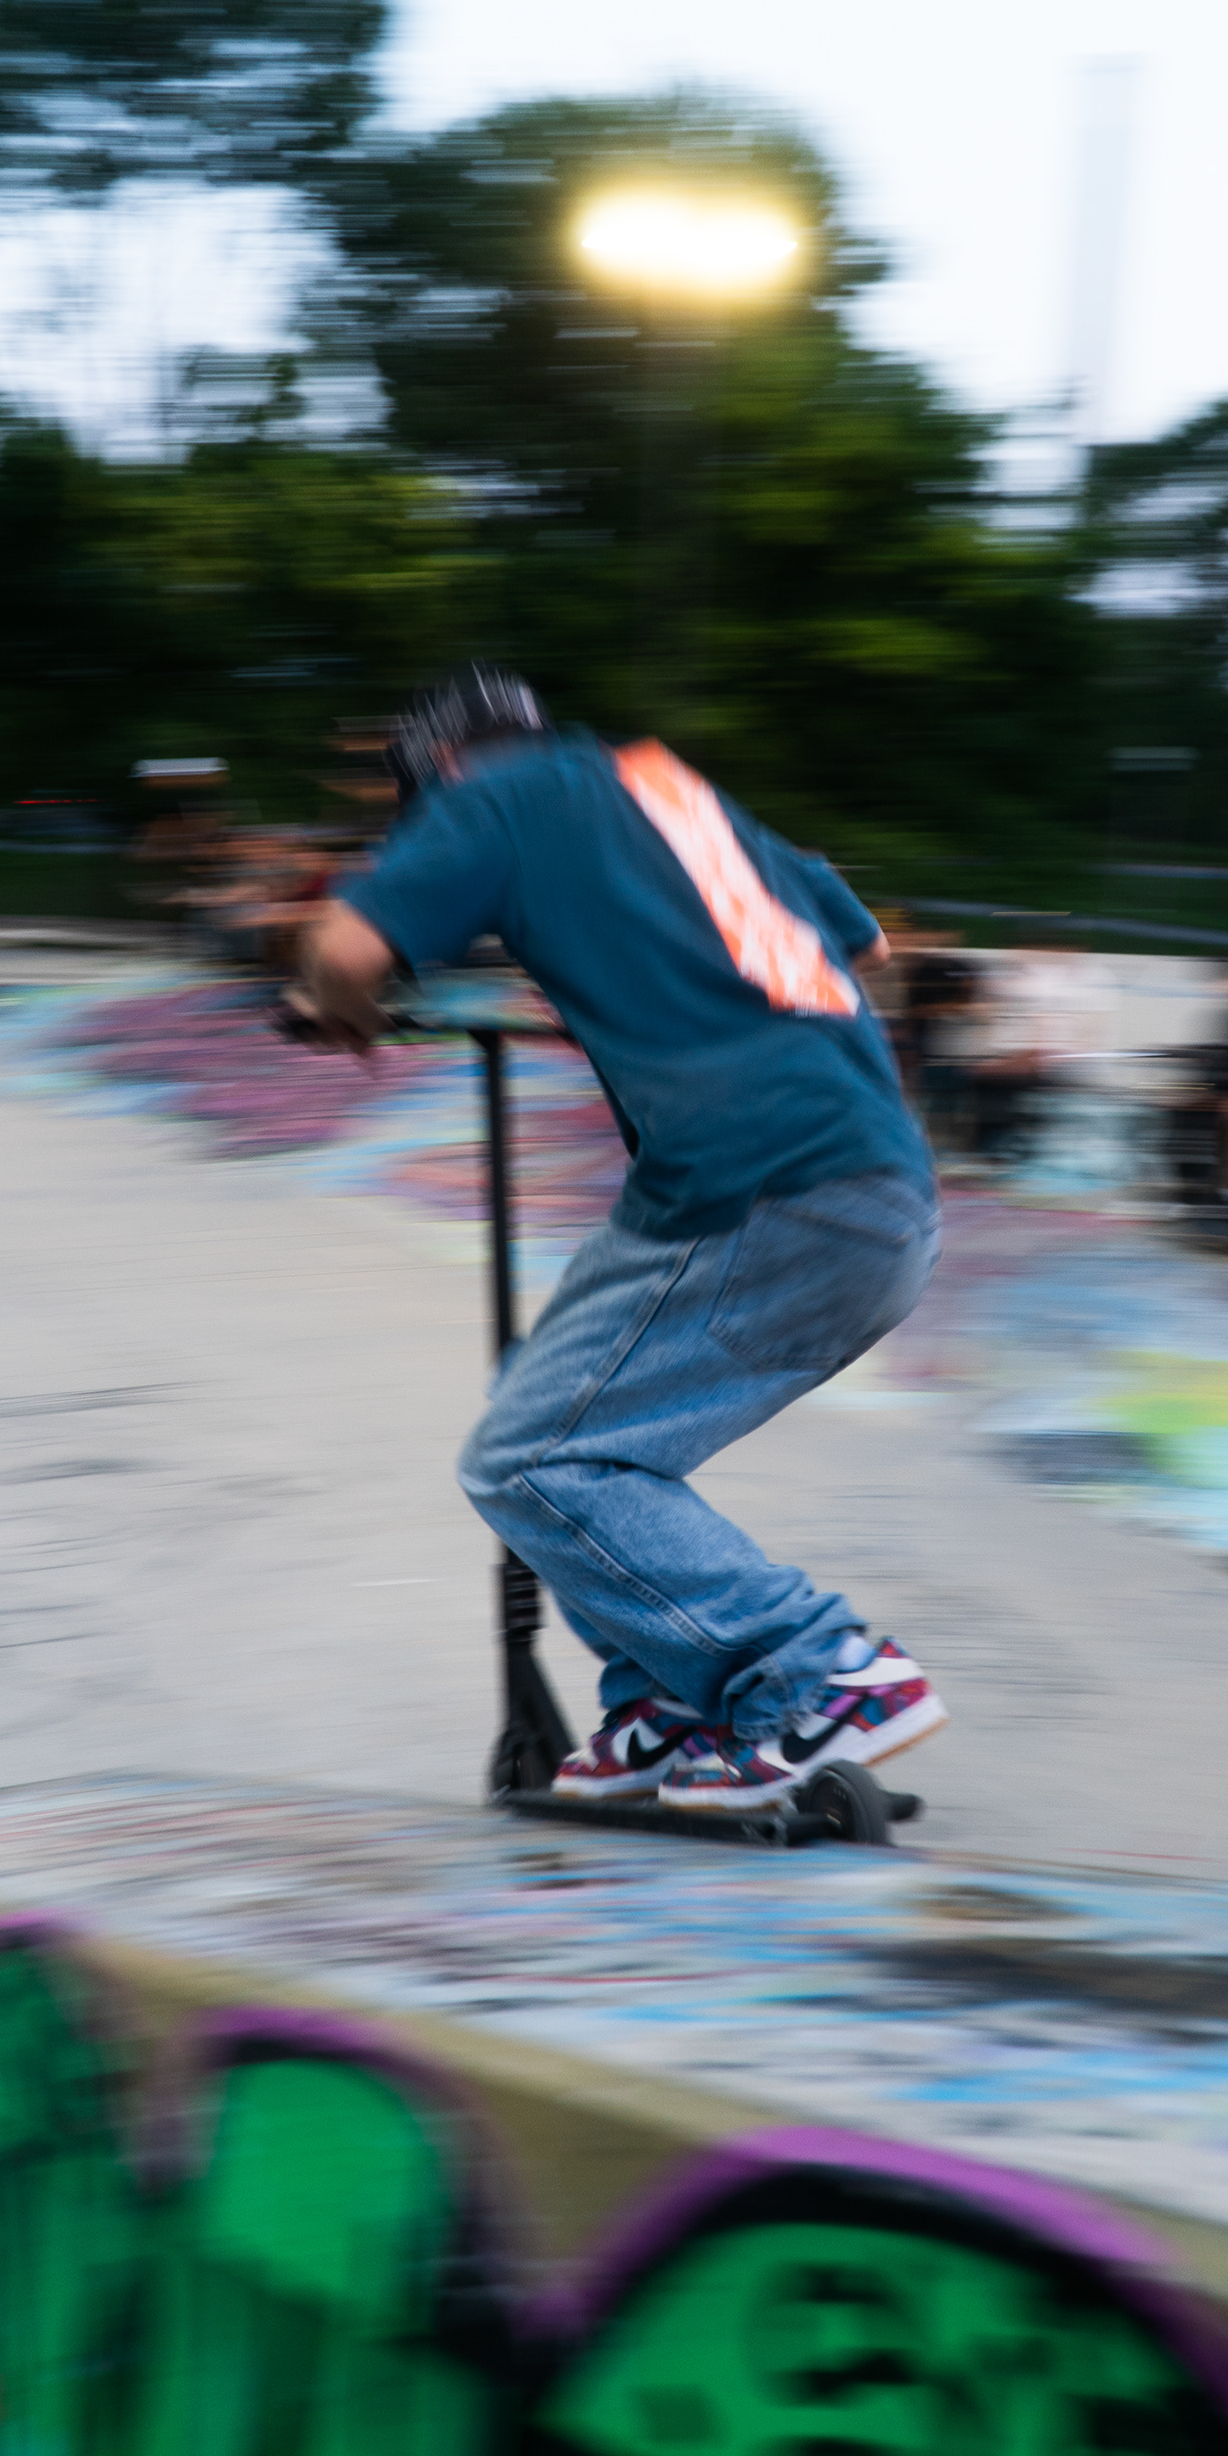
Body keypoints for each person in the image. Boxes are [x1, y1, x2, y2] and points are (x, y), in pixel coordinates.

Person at [298, 665, 948, 1813]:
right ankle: (673, 1699)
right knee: (542, 1404)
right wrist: (645, 973)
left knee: (531, 1461)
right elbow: (866, 943)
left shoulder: (492, 799)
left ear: (440, 769)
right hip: (875, 1184)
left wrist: (338, 1008)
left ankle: (816, 1673)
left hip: (765, 1189)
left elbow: (346, 950)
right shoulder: (672, 791)